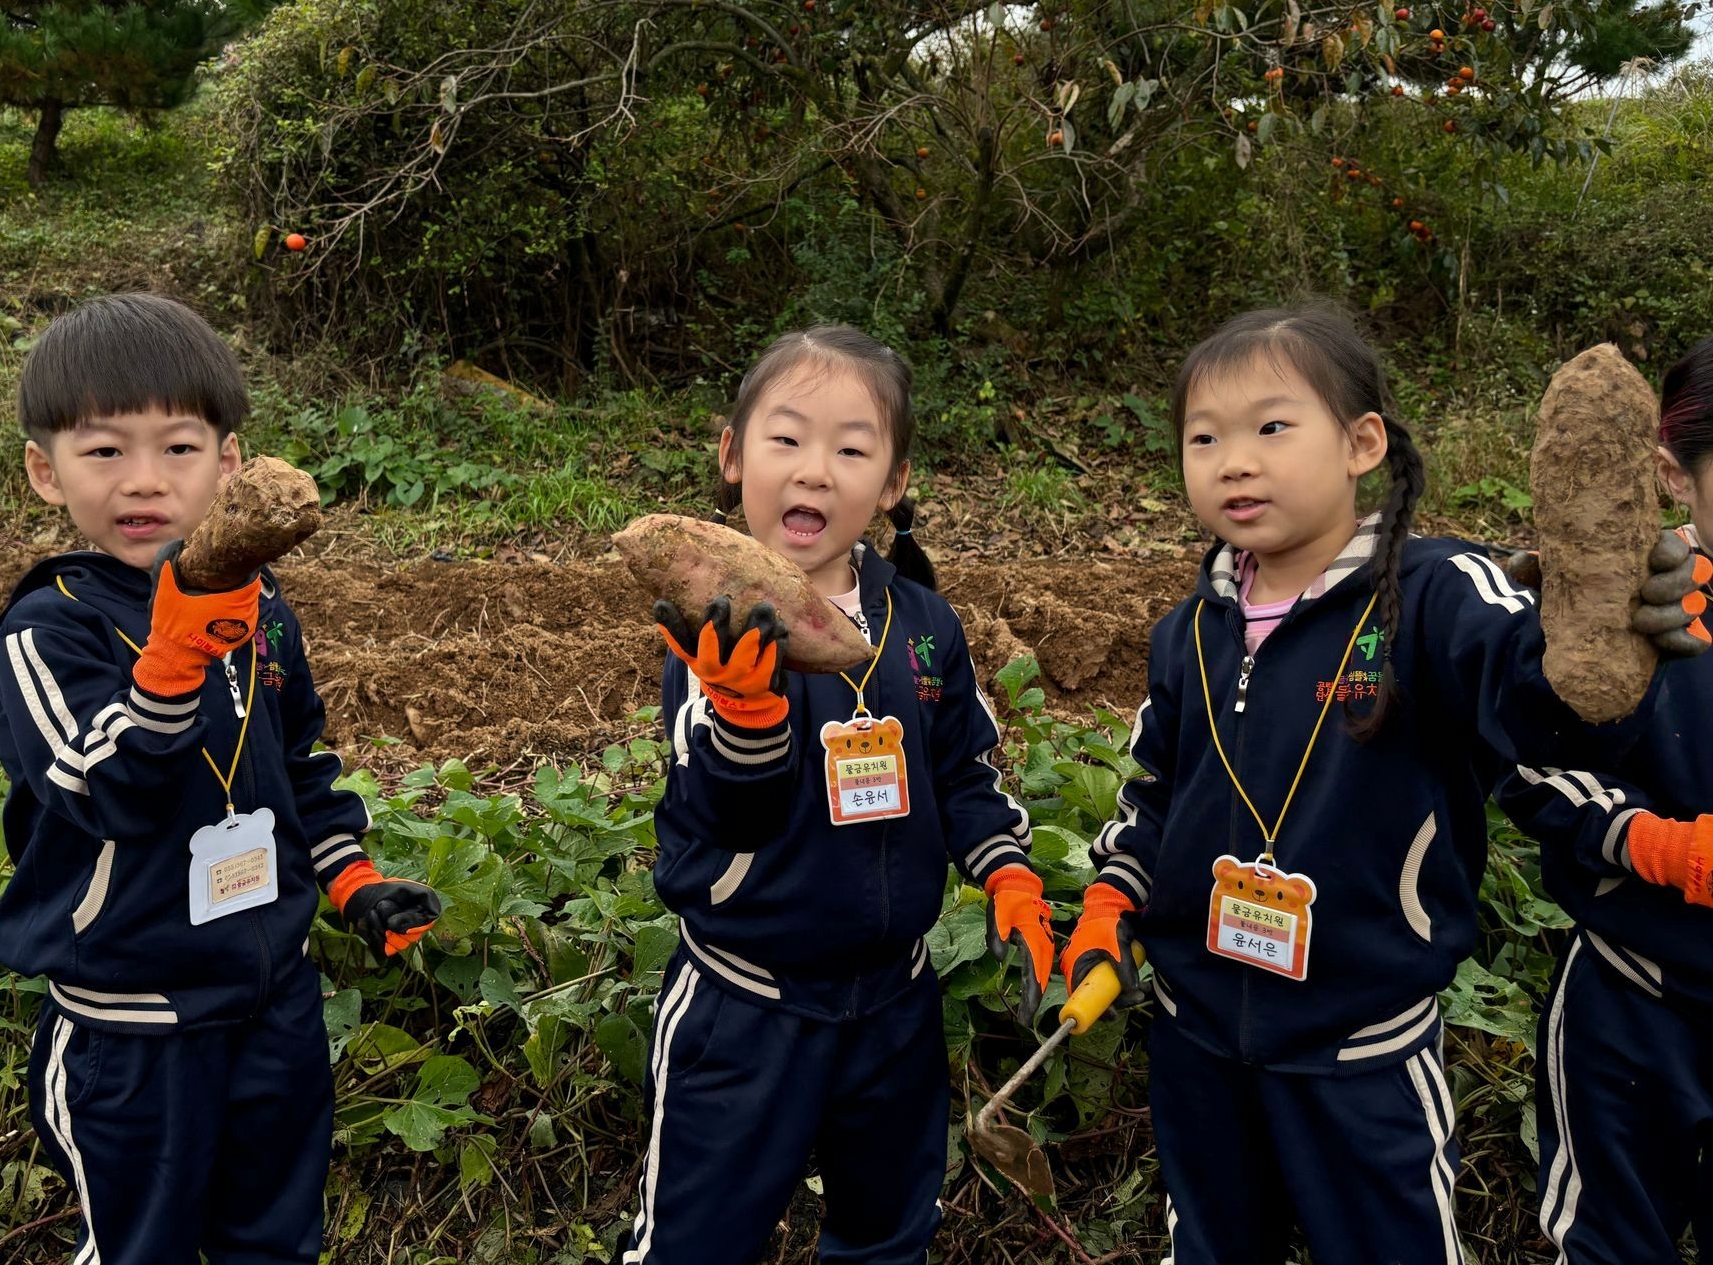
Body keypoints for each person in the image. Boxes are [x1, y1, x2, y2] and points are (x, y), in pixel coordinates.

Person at [1058, 305, 1706, 1265]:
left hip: (1361, 1050)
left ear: (1363, 444)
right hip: (1197, 1038)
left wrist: (1591, 626)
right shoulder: (1186, 632)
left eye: (1271, 427)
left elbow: (1537, 707)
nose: (1235, 462)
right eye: (1205, 439)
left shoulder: (1438, 595)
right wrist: (1113, 900)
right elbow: (1155, 790)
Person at [0, 293, 444, 1265]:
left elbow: (297, 764)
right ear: (45, 472)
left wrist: (352, 879)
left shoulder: (259, 607)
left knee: (275, 1238)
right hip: (132, 1032)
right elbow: (102, 787)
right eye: (105, 450)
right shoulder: (46, 631)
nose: (145, 479)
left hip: (273, 1006)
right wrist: (172, 658)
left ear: (229, 465)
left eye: (179, 448)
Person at [620, 325, 1050, 1265]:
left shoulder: (923, 623)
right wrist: (747, 710)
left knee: (888, 1236)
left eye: (852, 450)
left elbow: (963, 771)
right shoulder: (715, 630)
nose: (814, 470)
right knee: (694, 1243)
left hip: (895, 1004)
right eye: (786, 439)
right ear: (733, 456)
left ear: (893, 483)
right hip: (745, 1006)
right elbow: (724, 811)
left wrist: (1009, 875)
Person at [1506, 333, 1713, 1264]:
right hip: (1638, 1004)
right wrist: (1656, 844)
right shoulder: (1636, 609)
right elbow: (1530, 765)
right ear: (1673, 475)